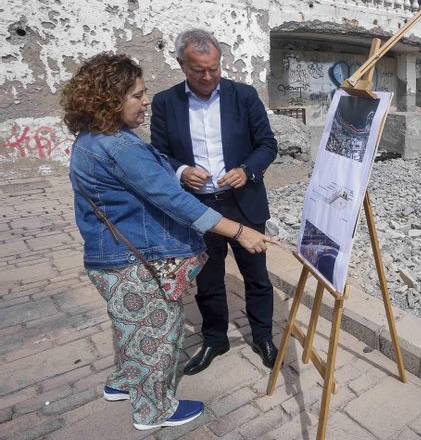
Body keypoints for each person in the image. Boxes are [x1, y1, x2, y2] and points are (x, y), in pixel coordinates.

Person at [62, 53, 278, 430]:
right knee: (158, 332)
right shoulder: (121, 146)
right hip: (134, 258)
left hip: (111, 253)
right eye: (136, 95)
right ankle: (153, 409)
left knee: (131, 325)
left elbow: (265, 144)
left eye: (144, 94)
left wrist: (245, 173)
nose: (145, 101)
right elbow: (172, 199)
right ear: (109, 100)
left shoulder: (92, 140)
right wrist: (240, 232)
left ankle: (125, 383)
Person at [150, 29, 280, 375]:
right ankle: (214, 338)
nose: (208, 77)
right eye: (198, 70)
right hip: (198, 208)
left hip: (243, 203)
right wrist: (180, 172)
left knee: (257, 276)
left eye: (214, 68)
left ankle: (263, 336)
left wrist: (246, 170)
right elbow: (159, 154)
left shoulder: (244, 96)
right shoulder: (166, 103)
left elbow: (267, 144)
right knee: (207, 280)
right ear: (181, 64)